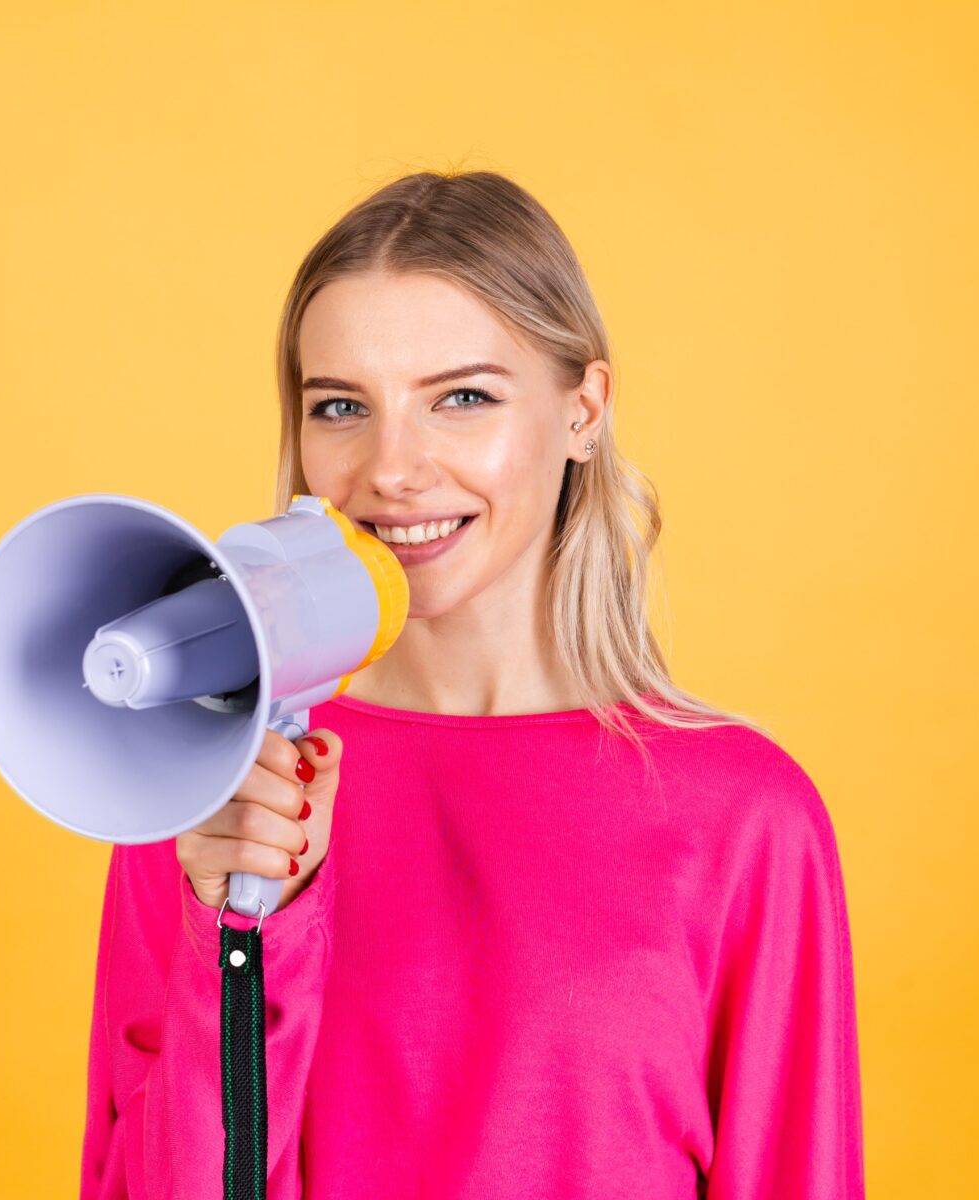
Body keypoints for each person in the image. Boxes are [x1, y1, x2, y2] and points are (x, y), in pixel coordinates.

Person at [80, 170, 865, 1198]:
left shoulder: (743, 820)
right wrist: (236, 933)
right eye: (339, 406)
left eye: (461, 398)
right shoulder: (206, 790)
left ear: (582, 409)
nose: (392, 468)